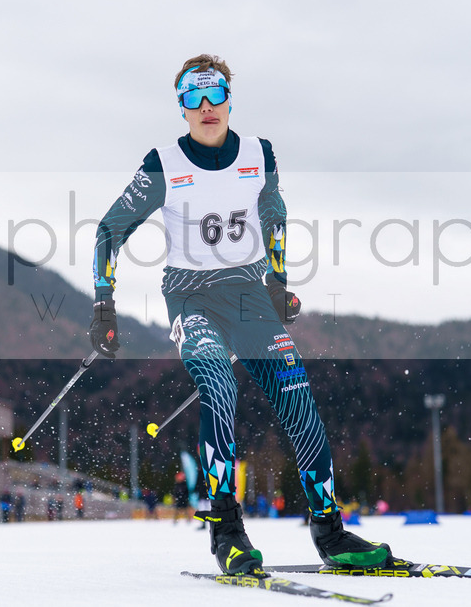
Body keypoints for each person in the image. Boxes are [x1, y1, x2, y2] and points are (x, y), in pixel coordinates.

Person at [88, 55, 394, 575]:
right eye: (192, 97)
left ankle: (330, 532)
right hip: (191, 297)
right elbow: (110, 229)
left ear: (230, 99)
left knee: (298, 399)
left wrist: (278, 280)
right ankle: (227, 533)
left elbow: (273, 212)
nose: (205, 107)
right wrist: (104, 304)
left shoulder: (259, 153)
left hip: (250, 296)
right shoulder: (164, 163)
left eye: (214, 94)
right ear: (180, 107)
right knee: (218, 386)